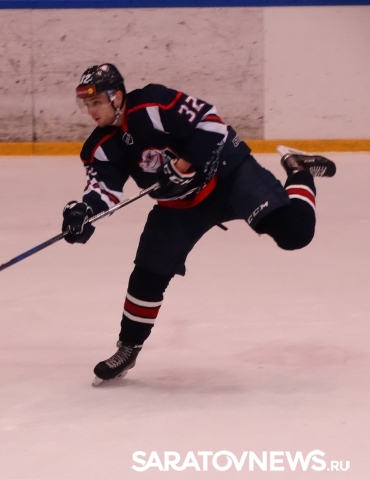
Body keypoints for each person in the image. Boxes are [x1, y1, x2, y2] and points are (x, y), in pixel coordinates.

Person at [61, 63, 336, 386]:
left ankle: (299, 169)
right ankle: (128, 348)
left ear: (117, 97)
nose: (91, 111)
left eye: (96, 102)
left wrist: (182, 164)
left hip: (228, 175)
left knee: (295, 233)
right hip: (180, 206)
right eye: (87, 105)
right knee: (148, 274)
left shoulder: (153, 104)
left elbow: (211, 123)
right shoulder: (100, 147)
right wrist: (84, 212)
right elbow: (103, 191)